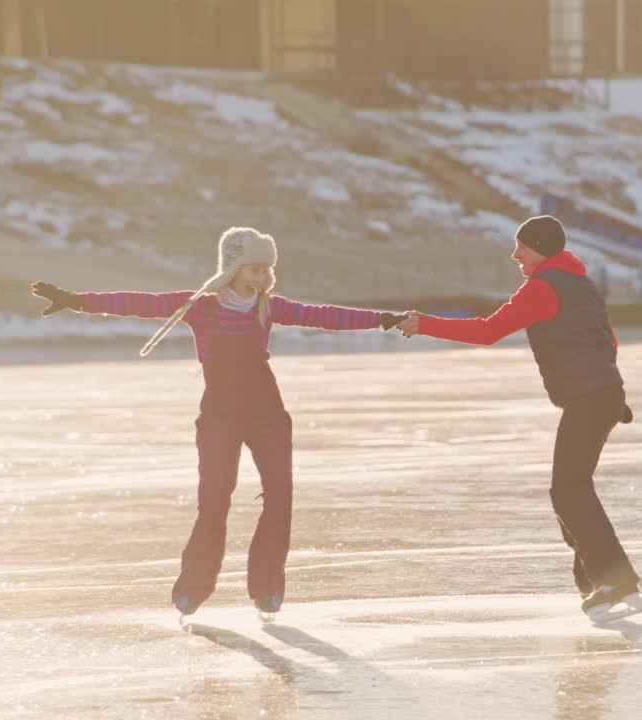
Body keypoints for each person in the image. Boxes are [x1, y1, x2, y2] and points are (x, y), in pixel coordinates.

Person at [31, 227, 404, 620]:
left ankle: (267, 589)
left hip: (268, 413)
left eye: (266, 270)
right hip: (220, 414)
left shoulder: (270, 307)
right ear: (233, 267)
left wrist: (381, 319)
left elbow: (326, 316)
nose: (262, 278)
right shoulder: (200, 307)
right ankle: (193, 588)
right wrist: (75, 300)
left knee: (280, 498)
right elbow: (141, 303)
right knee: (213, 502)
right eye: (254, 269)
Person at [398, 215, 642, 624]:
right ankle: (596, 583)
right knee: (570, 488)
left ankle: (614, 581)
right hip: (603, 394)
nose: (516, 255)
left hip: (590, 397)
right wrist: (609, 392)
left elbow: (487, 331)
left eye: (523, 247)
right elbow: (608, 340)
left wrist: (425, 324)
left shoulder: (543, 288)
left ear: (542, 249)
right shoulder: (583, 286)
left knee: (569, 489)